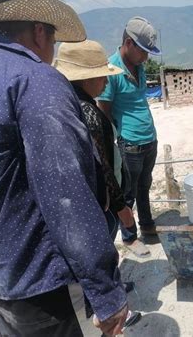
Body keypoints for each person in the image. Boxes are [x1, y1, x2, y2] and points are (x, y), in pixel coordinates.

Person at [0, 0, 128, 335]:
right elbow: (67, 193)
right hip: (39, 279)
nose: (51, 53)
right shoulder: (35, 80)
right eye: (53, 41)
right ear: (40, 32)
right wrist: (106, 291)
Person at [53, 39, 135, 242]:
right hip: (100, 205)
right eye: (102, 77)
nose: (106, 83)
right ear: (86, 79)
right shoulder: (88, 113)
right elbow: (103, 166)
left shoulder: (63, 104)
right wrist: (121, 207)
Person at [97, 16, 161, 257]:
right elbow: (104, 112)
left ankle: (146, 225)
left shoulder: (140, 67)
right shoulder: (111, 70)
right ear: (128, 43)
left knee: (145, 186)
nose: (146, 57)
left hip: (149, 139)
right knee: (128, 193)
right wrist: (115, 142)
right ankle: (129, 237)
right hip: (130, 144)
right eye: (143, 51)